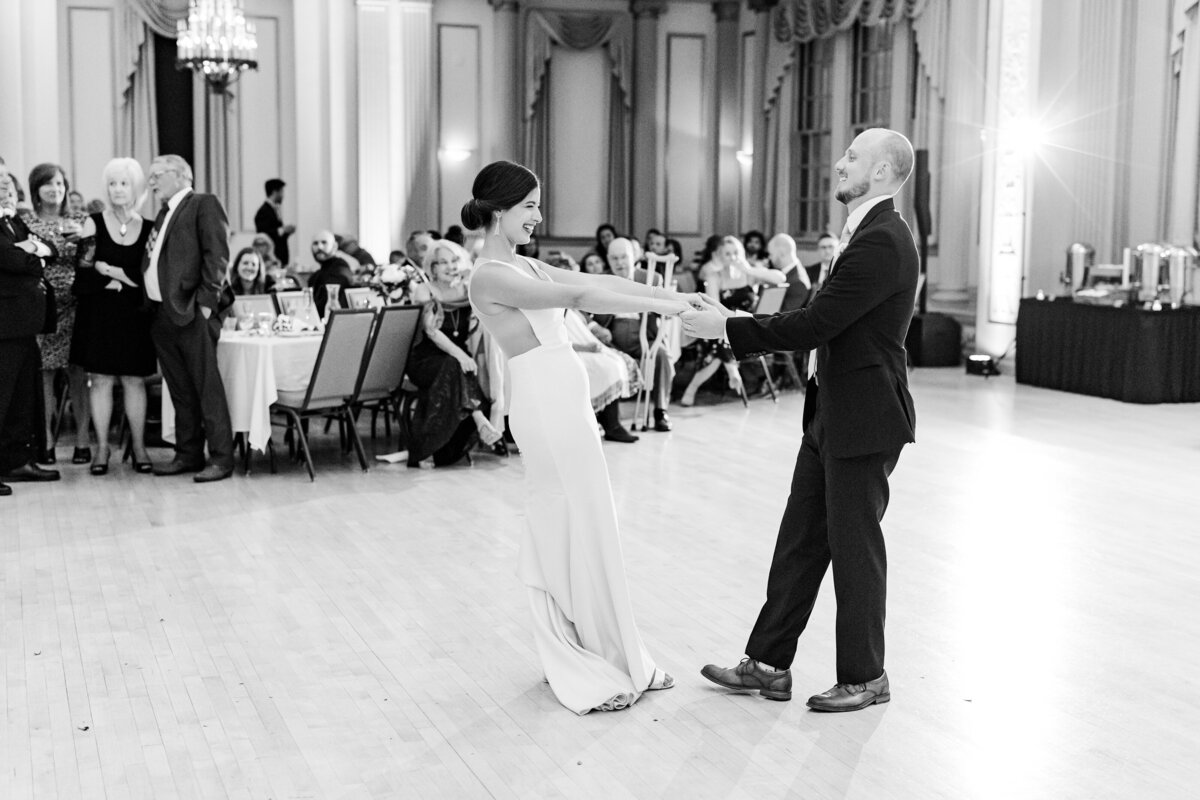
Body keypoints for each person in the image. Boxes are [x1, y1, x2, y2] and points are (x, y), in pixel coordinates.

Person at [682, 127, 919, 712]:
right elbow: (817, 319)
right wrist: (732, 318)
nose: (840, 163)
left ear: (886, 172)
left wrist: (729, 328)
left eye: (854, 156)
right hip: (831, 410)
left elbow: (815, 326)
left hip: (864, 417)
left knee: (854, 548)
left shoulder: (884, 239)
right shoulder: (862, 233)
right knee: (800, 542)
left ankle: (866, 676)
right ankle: (767, 665)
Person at [465, 160, 695, 714]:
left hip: (564, 402)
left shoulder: (523, 265)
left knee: (591, 522)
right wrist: (664, 303)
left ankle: (619, 653)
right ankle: (578, 658)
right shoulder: (488, 275)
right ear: (498, 211)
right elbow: (584, 298)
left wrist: (671, 300)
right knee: (568, 522)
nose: (538, 217)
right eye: (529, 206)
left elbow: (597, 283)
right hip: (544, 406)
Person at [143, 154, 235, 483]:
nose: (151, 181)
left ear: (182, 175)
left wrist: (207, 304)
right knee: (180, 390)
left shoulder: (203, 204)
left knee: (207, 388)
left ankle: (222, 459)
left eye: (157, 175)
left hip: (193, 312)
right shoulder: (162, 214)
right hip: (162, 315)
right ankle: (188, 454)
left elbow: (218, 255)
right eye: (150, 176)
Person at [71, 158, 157, 476]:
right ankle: (102, 449)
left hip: (135, 316)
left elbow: (148, 276)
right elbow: (81, 275)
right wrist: (111, 279)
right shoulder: (93, 222)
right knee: (102, 381)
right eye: (112, 183)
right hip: (99, 315)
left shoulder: (149, 228)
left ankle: (138, 446)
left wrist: (114, 271)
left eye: (123, 183)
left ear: (134, 187)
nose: (117, 189)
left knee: (134, 381)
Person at [404, 239, 501, 467]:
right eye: (443, 263)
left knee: (459, 369)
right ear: (432, 268)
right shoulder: (424, 290)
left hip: (457, 360)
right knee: (454, 366)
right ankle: (479, 419)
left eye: (455, 261)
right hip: (424, 359)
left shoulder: (467, 289)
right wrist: (461, 355)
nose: (450, 267)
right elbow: (431, 331)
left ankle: (438, 450)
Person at [23, 163, 90, 464]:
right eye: (48, 184)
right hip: (42, 305)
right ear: (36, 189)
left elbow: (91, 258)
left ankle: (84, 442)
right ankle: (47, 442)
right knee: (44, 375)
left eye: (60, 184)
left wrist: (85, 243)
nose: (55, 189)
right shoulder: (27, 223)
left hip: (76, 303)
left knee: (78, 373)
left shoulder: (79, 220)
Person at [0, 166, 61, 494]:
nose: (5, 186)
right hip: (4, 326)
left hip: (24, 323)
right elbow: (10, 259)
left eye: (7, 180)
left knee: (23, 396)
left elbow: (51, 247)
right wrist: (32, 253)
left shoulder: (14, 219)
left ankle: (16, 460)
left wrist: (34, 250)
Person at [681, 235, 784, 406]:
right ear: (720, 256)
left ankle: (695, 387)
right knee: (722, 338)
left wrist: (749, 270)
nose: (733, 257)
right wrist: (731, 323)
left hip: (750, 325)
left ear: (742, 253)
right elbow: (714, 308)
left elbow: (781, 278)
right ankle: (732, 371)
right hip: (723, 323)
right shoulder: (715, 276)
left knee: (724, 339)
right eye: (727, 254)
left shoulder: (750, 274)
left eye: (736, 253)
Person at [591, 237, 675, 433]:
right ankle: (609, 420)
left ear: (634, 257)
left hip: (645, 334)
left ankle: (660, 411)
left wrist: (666, 304)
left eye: (623, 257)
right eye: (614, 258)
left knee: (661, 355)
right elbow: (584, 314)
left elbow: (663, 310)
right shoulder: (602, 280)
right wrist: (596, 327)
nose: (619, 263)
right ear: (608, 260)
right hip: (612, 337)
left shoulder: (652, 278)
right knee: (604, 361)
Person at [307, 230, 357, 316]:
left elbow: (324, 303)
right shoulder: (318, 273)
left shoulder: (340, 269)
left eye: (324, 242)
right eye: (315, 243)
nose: (319, 247)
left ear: (334, 246)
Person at [253, 178, 295, 266]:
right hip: (271, 259)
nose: (283, 195)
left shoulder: (274, 209)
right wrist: (282, 230)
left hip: (280, 258)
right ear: (275, 192)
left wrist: (286, 232)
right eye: (282, 192)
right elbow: (263, 235)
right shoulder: (263, 211)